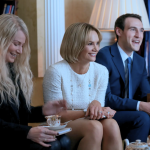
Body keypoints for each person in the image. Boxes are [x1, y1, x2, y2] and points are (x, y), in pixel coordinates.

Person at [43, 22, 122, 150]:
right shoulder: (55, 71)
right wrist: (87, 112)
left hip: (90, 121)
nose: (96, 49)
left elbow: (98, 104)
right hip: (62, 126)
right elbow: (56, 115)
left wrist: (98, 106)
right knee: (94, 127)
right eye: (90, 44)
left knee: (111, 124)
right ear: (75, 45)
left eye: (97, 43)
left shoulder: (101, 71)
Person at [0, 14, 71, 150]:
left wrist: (44, 111)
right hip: (6, 138)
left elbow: (18, 114)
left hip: (15, 136)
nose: (20, 51)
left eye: (22, 45)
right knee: (52, 145)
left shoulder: (12, 71)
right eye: (16, 44)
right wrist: (27, 132)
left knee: (64, 140)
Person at [96, 13, 150, 143]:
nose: (139, 35)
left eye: (141, 30)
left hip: (130, 112)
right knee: (142, 118)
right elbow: (105, 97)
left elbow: (144, 93)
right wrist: (141, 106)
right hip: (108, 113)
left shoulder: (140, 61)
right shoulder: (104, 55)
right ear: (118, 31)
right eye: (133, 29)